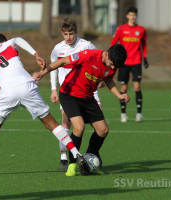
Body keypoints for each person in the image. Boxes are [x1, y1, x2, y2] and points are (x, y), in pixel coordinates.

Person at [0, 34, 91, 179]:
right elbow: (18, 40)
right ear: (3, 41)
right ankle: (76, 154)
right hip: (26, 86)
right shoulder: (8, 43)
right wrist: (36, 54)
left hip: (6, 92)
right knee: (51, 123)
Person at [33, 44, 129, 176]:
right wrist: (42, 73)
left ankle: (89, 159)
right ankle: (72, 164)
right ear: (106, 54)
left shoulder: (112, 64)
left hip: (88, 97)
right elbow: (62, 61)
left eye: (115, 66)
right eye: (111, 64)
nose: (112, 67)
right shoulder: (88, 55)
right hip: (69, 95)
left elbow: (108, 79)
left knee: (103, 130)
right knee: (79, 127)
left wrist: (119, 95)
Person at [50, 18, 102, 171]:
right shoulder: (57, 49)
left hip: (87, 92)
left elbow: (96, 66)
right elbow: (54, 69)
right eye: (65, 34)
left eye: (71, 34)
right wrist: (53, 89)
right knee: (66, 122)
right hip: (68, 92)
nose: (68, 37)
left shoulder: (86, 45)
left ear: (76, 32)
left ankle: (91, 154)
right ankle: (64, 157)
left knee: (98, 126)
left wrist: (98, 88)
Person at [110, 6, 148, 123]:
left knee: (137, 86)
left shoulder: (141, 30)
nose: (132, 17)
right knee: (124, 88)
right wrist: (112, 56)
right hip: (123, 63)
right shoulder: (121, 29)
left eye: (134, 15)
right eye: (130, 15)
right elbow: (113, 43)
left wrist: (145, 57)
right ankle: (123, 114)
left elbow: (144, 45)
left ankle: (139, 114)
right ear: (127, 16)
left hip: (136, 61)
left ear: (136, 16)